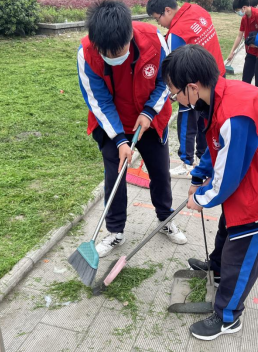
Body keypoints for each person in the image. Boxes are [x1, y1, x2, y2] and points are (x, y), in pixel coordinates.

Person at [161, 44, 258, 341]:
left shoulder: (234, 114)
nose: (174, 99)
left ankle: (228, 316)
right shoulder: (218, 95)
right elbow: (217, 144)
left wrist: (200, 198)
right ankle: (217, 269)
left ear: (193, 87)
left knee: (241, 250)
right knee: (227, 225)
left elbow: (225, 181)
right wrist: (199, 175)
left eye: (174, 94)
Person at [77, 0, 187, 258]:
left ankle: (165, 219)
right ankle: (115, 231)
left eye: (120, 51)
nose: (115, 58)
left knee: (160, 172)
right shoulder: (86, 53)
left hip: (149, 119)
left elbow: (166, 81)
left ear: (130, 35)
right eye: (109, 53)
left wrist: (148, 112)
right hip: (112, 124)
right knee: (114, 176)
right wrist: (119, 140)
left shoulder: (154, 40)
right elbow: (98, 101)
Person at [147, 0, 226, 179]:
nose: (159, 23)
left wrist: (173, 92)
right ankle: (205, 159)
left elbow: (175, 69)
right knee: (206, 121)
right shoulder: (197, 10)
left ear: (167, 10)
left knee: (187, 123)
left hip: (191, 88)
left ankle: (186, 163)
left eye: (158, 18)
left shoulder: (176, 34)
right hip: (216, 78)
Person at [227, 0, 258, 89]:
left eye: (237, 11)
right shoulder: (244, 19)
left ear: (244, 8)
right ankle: (245, 96)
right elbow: (239, 36)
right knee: (246, 77)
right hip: (251, 50)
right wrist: (232, 52)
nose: (238, 13)